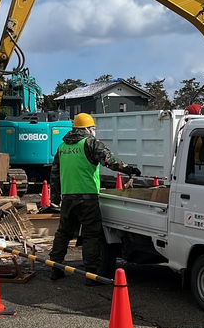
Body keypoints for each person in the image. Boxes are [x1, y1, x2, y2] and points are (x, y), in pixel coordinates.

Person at [48, 113, 141, 286]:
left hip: (68, 198)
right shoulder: (90, 143)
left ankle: (55, 268)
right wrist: (130, 170)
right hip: (87, 198)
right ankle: (91, 274)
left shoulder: (62, 147)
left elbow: (54, 174)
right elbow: (109, 161)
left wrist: (55, 197)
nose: (94, 132)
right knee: (91, 235)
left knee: (63, 233)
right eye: (93, 129)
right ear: (88, 129)